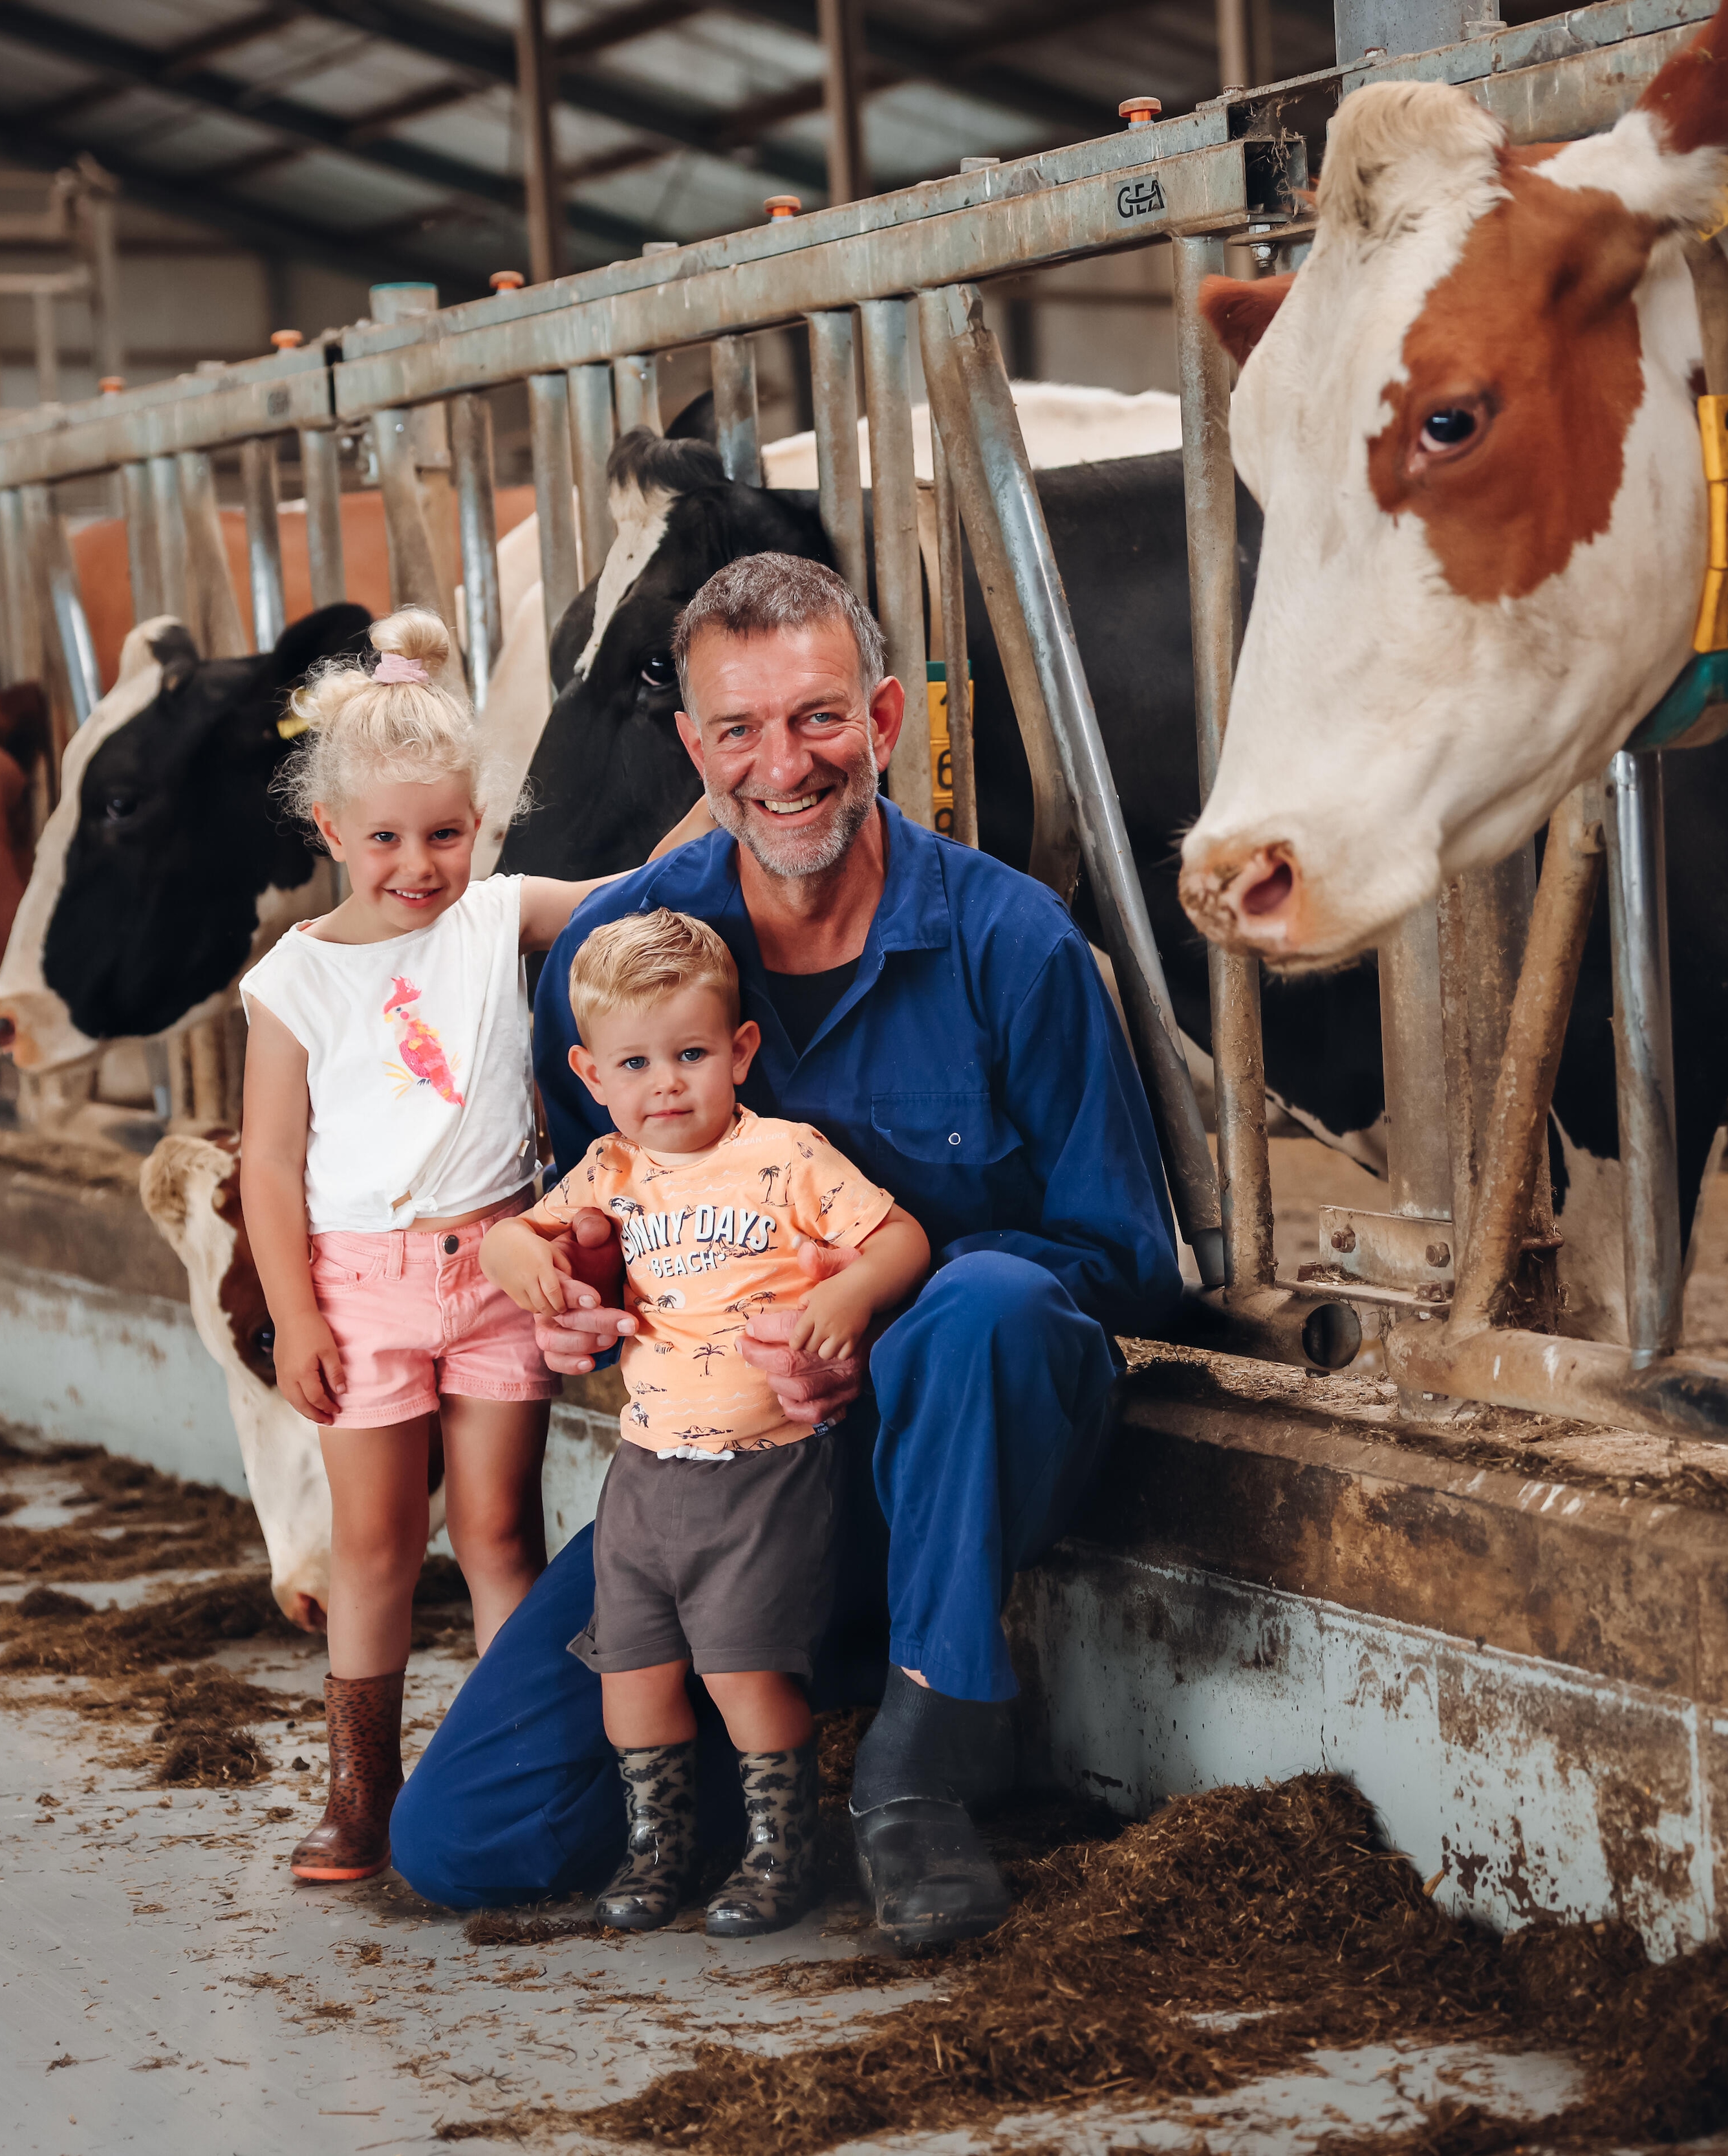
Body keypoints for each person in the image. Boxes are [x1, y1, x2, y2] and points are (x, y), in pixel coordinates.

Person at [387, 554, 1181, 1951]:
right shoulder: (632, 959)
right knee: (466, 1839)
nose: (783, 764)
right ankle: (788, 1701)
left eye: (818, 717)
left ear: (883, 718)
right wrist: (577, 1298)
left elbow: (1119, 1256)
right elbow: (590, 1212)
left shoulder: (1011, 943)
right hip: (717, 1486)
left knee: (983, 1302)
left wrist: (874, 1320)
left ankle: (919, 1759)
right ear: (694, 748)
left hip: (950, 1451)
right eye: (738, 731)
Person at [236, 606, 616, 1885]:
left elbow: (638, 899)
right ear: (332, 831)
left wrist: (733, 812)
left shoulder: (496, 913)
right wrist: (295, 1314)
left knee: (502, 1526)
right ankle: (360, 1788)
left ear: (479, 823)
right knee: (378, 1540)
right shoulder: (294, 980)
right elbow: (270, 1162)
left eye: (444, 832)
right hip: (360, 1286)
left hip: (501, 1270)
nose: (417, 862)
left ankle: (505, 1764)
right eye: (386, 836)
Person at [482, 908, 931, 1936]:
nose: (666, 1083)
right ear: (591, 1074)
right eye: (634, 1063)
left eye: (690, 1053)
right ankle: (660, 1851)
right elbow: (517, 1234)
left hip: (760, 1470)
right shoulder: (609, 1170)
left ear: (740, 1051)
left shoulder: (784, 1154)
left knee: (742, 1670)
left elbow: (902, 1236)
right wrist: (520, 1257)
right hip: (644, 1473)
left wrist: (851, 1293)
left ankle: (784, 1849)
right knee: (632, 1676)